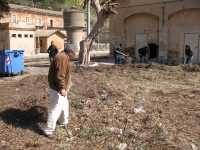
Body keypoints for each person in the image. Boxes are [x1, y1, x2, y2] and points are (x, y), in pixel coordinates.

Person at [43, 44, 78, 140]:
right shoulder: (62, 58)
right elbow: (60, 75)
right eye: (75, 53)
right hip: (57, 89)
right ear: (70, 52)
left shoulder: (63, 56)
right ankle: (48, 130)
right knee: (55, 109)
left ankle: (64, 121)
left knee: (64, 105)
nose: (75, 54)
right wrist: (62, 88)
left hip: (60, 88)